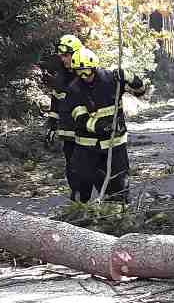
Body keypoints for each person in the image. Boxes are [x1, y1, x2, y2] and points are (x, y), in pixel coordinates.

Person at [65, 48, 147, 204]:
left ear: (95, 68)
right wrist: (101, 126)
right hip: (87, 147)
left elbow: (140, 92)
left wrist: (128, 77)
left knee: (119, 184)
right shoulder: (74, 89)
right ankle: (78, 214)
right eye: (79, 73)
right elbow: (80, 118)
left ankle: (119, 212)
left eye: (87, 72)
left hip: (115, 144)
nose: (84, 77)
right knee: (82, 183)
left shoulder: (112, 79)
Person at [42, 34, 84, 196]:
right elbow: (56, 102)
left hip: (87, 132)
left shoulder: (86, 74)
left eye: (66, 55)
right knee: (71, 166)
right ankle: (77, 198)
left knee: (89, 168)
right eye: (61, 56)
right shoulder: (60, 77)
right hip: (67, 132)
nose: (63, 59)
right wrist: (51, 125)